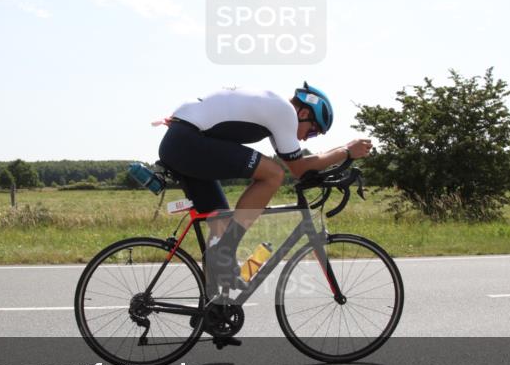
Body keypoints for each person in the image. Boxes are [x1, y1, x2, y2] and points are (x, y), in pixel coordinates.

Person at [157, 83, 372, 288]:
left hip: (181, 140)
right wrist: (346, 151)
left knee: (220, 223)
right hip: (187, 141)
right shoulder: (285, 112)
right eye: (312, 132)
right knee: (272, 174)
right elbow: (299, 169)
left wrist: (340, 153)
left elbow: (300, 165)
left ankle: (212, 305)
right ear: (304, 114)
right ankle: (225, 252)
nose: (307, 140)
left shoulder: (275, 111)